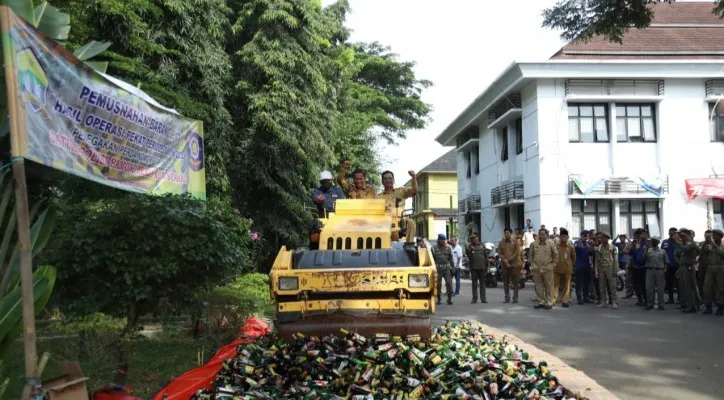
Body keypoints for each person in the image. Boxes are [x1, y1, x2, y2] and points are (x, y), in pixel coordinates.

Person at [376, 170, 417, 241]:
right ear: (382, 182)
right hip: (386, 222)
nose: (388, 180)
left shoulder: (401, 191)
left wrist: (413, 177)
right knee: (393, 228)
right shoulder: (378, 197)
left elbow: (414, 191)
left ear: (393, 180)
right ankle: (394, 244)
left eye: (390, 178)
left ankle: (409, 244)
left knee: (411, 222)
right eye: (385, 178)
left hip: (402, 221)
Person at [530, 228, 558, 309]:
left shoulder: (551, 243)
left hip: (548, 268)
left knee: (549, 285)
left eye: (543, 234)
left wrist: (554, 265)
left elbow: (555, 255)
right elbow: (531, 255)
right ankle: (541, 301)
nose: (541, 236)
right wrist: (532, 264)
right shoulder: (534, 244)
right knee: (538, 285)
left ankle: (549, 302)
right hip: (537, 268)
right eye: (540, 234)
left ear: (546, 235)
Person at [675, 228, 700, 314]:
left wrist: (678, 243)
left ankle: (693, 306)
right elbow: (677, 253)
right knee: (685, 287)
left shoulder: (692, 243)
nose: (681, 237)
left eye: (683, 235)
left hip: (689, 267)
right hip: (683, 267)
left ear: (687, 235)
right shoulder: (684, 244)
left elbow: (685, 249)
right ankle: (690, 304)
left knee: (690, 287)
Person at [702, 229, 724, 315]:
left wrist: (715, 246)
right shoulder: (710, 245)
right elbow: (703, 253)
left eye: (716, 235)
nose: (714, 237)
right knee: (707, 287)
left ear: (721, 237)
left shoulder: (722, 246)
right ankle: (708, 306)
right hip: (710, 268)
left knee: (721, 288)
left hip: (720, 268)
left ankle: (720, 307)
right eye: (713, 235)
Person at [595, 232, 619, 309]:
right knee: (602, 286)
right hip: (601, 268)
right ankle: (603, 302)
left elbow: (615, 260)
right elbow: (596, 260)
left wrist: (615, 270)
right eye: (602, 238)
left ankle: (614, 302)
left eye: (605, 238)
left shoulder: (612, 247)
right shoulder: (599, 247)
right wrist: (596, 270)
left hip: (610, 267)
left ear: (608, 239)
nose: (603, 239)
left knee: (612, 286)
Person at [498, 228, 522, 303]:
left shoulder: (516, 242)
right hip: (504, 265)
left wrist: (509, 259)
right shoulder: (501, 243)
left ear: (511, 233)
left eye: (508, 233)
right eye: (505, 233)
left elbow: (517, 252)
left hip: (514, 264)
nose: (506, 234)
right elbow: (500, 253)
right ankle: (507, 298)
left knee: (515, 282)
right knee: (505, 282)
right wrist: (504, 260)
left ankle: (515, 298)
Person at [553, 228, 575, 307]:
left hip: (567, 269)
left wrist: (570, 265)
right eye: (562, 237)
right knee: (555, 285)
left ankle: (565, 300)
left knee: (567, 285)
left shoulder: (570, 247)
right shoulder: (556, 246)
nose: (564, 239)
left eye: (565, 237)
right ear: (560, 237)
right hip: (557, 268)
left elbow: (573, 258)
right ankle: (553, 299)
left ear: (568, 237)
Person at [644, 236, 668, 311]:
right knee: (649, 288)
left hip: (659, 270)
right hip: (650, 270)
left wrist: (665, 269)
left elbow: (666, 261)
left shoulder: (662, 251)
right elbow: (645, 258)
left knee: (660, 288)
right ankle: (650, 303)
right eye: (652, 240)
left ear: (658, 242)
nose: (654, 242)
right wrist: (646, 249)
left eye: (655, 240)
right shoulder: (648, 250)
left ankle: (661, 304)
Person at [432, 234, 454, 305]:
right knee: (438, 285)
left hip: (446, 269)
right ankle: (439, 299)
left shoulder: (448, 248)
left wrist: (453, 267)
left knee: (449, 283)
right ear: (438, 240)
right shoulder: (434, 248)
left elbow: (451, 259)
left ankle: (449, 299)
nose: (443, 241)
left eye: (444, 240)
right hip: (438, 269)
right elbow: (431, 259)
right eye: (442, 240)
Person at [629, 229, 649, 306]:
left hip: (644, 267)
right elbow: (631, 253)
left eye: (644, 234)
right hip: (635, 267)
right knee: (636, 284)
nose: (642, 236)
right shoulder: (636, 244)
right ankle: (640, 299)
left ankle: (646, 300)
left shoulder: (648, 243)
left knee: (643, 285)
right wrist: (632, 247)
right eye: (641, 234)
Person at [466, 234, 488, 304]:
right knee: (474, 284)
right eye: (472, 239)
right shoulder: (470, 246)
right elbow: (469, 256)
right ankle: (474, 298)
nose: (474, 239)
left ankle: (483, 298)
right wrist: (467, 249)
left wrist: (487, 267)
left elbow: (486, 256)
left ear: (478, 238)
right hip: (474, 268)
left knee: (483, 284)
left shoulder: (482, 245)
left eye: (475, 238)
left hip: (482, 268)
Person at [661, 227, 680, 305]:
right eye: (671, 233)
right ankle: (671, 298)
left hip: (677, 265)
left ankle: (680, 299)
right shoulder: (665, 242)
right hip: (668, 265)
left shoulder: (679, 242)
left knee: (679, 283)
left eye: (674, 233)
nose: (672, 234)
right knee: (669, 283)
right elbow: (662, 252)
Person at [574, 230, 593, 305]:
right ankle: (579, 298)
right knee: (579, 283)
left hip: (587, 266)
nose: (587, 237)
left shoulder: (588, 244)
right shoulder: (577, 242)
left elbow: (590, 253)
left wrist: (591, 245)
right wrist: (582, 240)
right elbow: (578, 247)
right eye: (585, 236)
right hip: (579, 266)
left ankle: (586, 297)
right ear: (581, 235)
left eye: (587, 236)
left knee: (587, 283)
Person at [698, 230, 713, 298]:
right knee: (700, 281)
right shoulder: (701, 243)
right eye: (706, 236)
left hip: (710, 265)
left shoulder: (714, 244)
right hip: (701, 265)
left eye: (709, 236)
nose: (708, 238)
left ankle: (710, 297)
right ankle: (702, 296)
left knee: (709, 282)